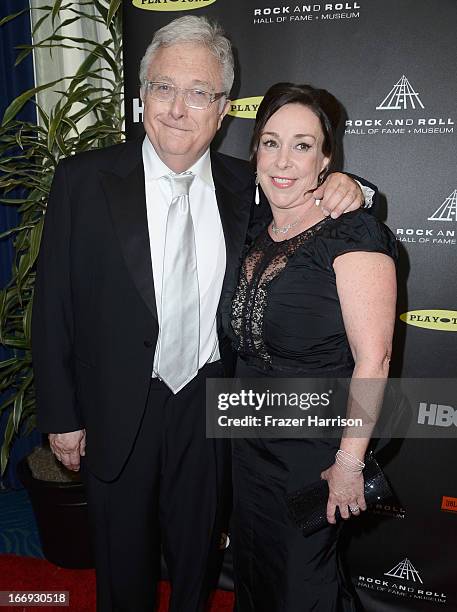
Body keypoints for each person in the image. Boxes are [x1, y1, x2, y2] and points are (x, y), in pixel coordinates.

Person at [32, 16, 375, 612]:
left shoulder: (247, 184)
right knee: (122, 571)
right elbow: (53, 305)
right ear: (141, 98)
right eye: (164, 87)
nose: (178, 108)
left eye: (199, 93)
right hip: (116, 411)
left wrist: (358, 188)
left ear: (222, 111)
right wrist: (61, 415)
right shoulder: (83, 181)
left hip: (210, 409)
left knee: (198, 560)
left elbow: (313, 196)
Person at [224, 82, 397, 611]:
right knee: (256, 575)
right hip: (246, 443)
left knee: (303, 585)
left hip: (313, 453)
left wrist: (349, 463)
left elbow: (375, 358)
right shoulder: (252, 228)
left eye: (302, 145)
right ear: (254, 151)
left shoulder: (354, 234)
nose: (283, 160)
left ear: (326, 160)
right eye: (271, 142)